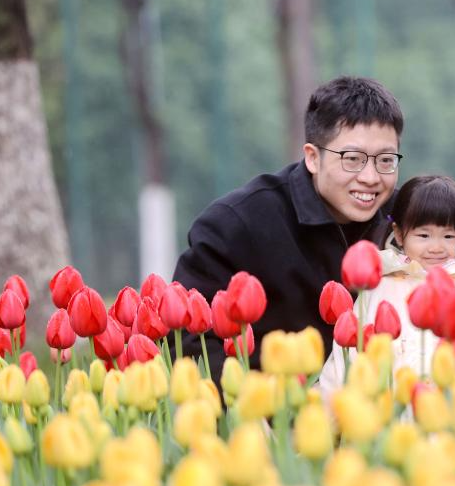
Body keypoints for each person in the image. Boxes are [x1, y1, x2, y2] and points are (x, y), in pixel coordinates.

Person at [172, 76, 404, 383]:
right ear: (312, 157)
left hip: (383, 414)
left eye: (386, 160)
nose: (371, 177)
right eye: (353, 159)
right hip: (275, 415)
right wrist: (251, 412)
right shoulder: (237, 224)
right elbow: (190, 340)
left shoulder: (405, 213)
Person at [319, 175, 455, 398]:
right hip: (396, 418)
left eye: (449, 236)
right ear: (400, 234)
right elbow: (349, 360)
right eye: (423, 235)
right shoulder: (380, 284)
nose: (436, 247)